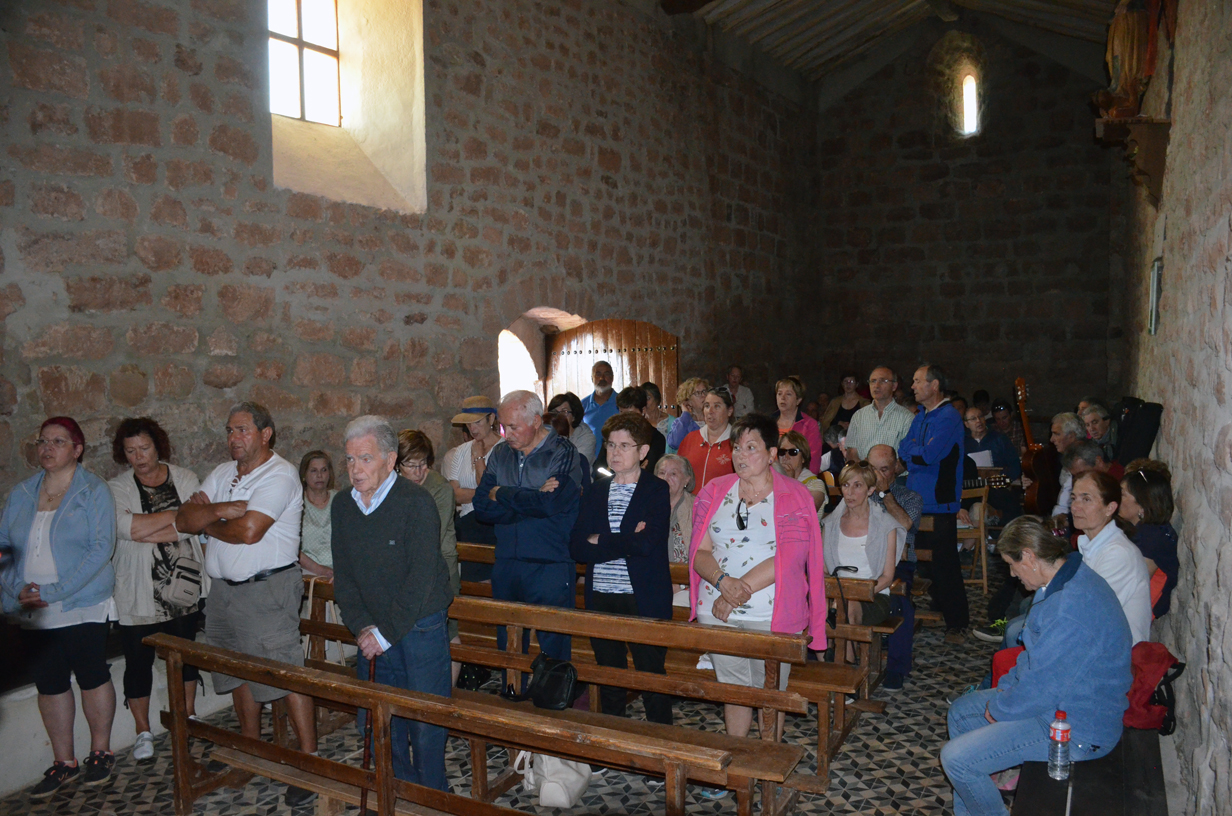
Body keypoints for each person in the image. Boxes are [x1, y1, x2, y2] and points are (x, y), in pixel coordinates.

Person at [175, 402, 317, 808]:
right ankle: (251, 750)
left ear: (265, 434)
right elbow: (182, 520)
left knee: (286, 671)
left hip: (266, 589)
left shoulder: (280, 474)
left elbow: (250, 531)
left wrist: (207, 518)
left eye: (242, 430)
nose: (233, 438)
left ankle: (310, 762)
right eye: (229, 430)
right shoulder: (223, 473)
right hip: (223, 591)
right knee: (235, 669)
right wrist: (219, 511)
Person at [941, 516, 1131, 816]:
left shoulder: (1070, 608)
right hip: (1056, 705)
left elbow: (1042, 688)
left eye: (1012, 565)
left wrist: (1002, 707)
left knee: (957, 760)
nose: (1012, 574)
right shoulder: (1059, 582)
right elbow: (1032, 658)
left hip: (1078, 728)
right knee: (961, 713)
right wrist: (1004, 691)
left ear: (1029, 556)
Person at [331, 416, 454, 789]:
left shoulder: (416, 502)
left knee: (425, 721)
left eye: (365, 458)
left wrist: (383, 634)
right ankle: (396, 793)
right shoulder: (343, 505)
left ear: (389, 459)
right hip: (373, 627)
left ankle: (431, 798)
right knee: (380, 721)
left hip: (419, 625)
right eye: (350, 459)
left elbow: (421, 577)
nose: (356, 469)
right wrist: (362, 626)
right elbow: (344, 575)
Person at [689, 413, 826, 739]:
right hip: (718, 614)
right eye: (737, 448)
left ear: (772, 454)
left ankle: (769, 762)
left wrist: (734, 594)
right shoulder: (714, 490)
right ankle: (738, 760)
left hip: (772, 615)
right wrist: (723, 583)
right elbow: (699, 552)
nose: (740, 455)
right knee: (734, 693)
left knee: (770, 694)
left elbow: (791, 556)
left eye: (751, 447)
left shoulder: (794, 495)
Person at [1, 417, 118, 798]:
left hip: (80, 601)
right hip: (33, 607)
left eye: (58, 441)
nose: (47, 448)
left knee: (91, 674)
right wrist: (17, 590)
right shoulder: (21, 493)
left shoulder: (92, 490)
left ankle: (100, 753)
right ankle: (63, 761)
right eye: (42, 441)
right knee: (49, 682)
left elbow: (100, 548)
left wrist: (56, 591)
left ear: (77, 449)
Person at [108, 417, 205, 765]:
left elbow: (195, 522)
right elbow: (125, 528)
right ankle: (143, 731)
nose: (139, 457)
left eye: (144, 448)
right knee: (138, 662)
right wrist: (177, 517)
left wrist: (148, 528)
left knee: (185, 657)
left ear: (157, 446)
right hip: (137, 590)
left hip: (184, 586)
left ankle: (187, 716)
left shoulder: (184, 477)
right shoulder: (116, 487)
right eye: (131, 451)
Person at [570, 412, 673, 724]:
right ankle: (614, 738)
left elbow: (648, 544)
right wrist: (627, 539)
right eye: (611, 445)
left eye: (624, 446)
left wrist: (600, 539)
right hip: (602, 594)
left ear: (643, 451)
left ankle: (661, 742)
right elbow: (577, 547)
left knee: (651, 677)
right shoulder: (597, 490)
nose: (615, 452)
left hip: (642, 596)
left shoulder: (656, 489)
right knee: (610, 677)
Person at [473, 391, 586, 663]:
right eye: (503, 427)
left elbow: (550, 505)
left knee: (553, 647)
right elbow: (481, 506)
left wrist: (502, 493)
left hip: (550, 563)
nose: (506, 434)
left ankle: (551, 691)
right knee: (508, 645)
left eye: (513, 427)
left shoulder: (563, 452)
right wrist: (532, 499)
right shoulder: (501, 452)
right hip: (507, 563)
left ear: (536, 422)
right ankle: (513, 687)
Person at [898, 364, 967, 643]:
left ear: (934, 385)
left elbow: (930, 456)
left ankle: (957, 623)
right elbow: (903, 448)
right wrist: (916, 453)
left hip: (940, 502)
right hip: (917, 502)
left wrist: (915, 453)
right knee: (921, 563)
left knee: (945, 566)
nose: (912, 386)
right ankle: (933, 608)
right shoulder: (921, 416)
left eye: (918, 381)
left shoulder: (949, 417)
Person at [821, 461, 905, 662]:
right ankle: (828, 666)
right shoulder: (830, 524)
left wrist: (856, 593)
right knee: (822, 606)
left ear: (870, 490)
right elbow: (823, 570)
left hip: (873, 596)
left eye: (857, 486)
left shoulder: (885, 525)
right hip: (836, 594)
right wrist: (836, 594)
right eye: (846, 485)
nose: (850, 492)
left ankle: (846, 667)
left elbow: (887, 577)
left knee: (848, 607)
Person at [397, 429, 462, 683]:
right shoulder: (393, 486)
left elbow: (428, 538)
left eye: (423, 463)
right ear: (397, 464)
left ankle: (446, 694)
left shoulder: (439, 489)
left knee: (447, 633)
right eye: (411, 465)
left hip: (440, 571)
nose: (419, 471)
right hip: (405, 572)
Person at [1071, 471, 1153, 644]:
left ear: (1110, 508)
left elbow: (1091, 613)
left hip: (1114, 648)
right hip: (1093, 637)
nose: (1075, 507)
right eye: (1073, 498)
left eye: (1086, 499)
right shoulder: (1091, 544)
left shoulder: (1119, 554)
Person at [867, 444, 922, 691]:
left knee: (900, 604)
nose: (878, 476)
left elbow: (905, 525)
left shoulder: (910, 497)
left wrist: (884, 493)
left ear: (896, 469)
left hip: (899, 564)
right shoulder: (859, 493)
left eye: (884, 469)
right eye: (873, 469)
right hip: (864, 562)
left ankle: (897, 668)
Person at [445, 396, 504, 552]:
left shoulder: (504, 449)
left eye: (477, 422)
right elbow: (454, 494)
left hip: (493, 523)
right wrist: (485, 494)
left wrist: (478, 458)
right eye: (468, 424)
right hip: (466, 523)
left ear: (491, 419)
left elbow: (487, 487)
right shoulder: (461, 451)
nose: (473, 429)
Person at [1119, 463, 1178, 618]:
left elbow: (1135, 586)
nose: (1116, 499)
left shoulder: (1151, 538)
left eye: (1123, 494)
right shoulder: (1147, 529)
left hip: (1135, 613)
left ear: (1142, 504)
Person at [963, 407, 1023, 524]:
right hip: (970, 489)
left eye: (980, 417)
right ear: (966, 424)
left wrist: (1005, 477)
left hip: (995, 487)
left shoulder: (999, 439)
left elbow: (1015, 464)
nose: (978, 421)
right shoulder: (961, 442)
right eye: (973, 419)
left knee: (1011, 505)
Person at [591, 386, 667, 477]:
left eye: (630, 414)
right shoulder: (613, 435)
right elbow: (599, 469)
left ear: (643, 410)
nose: (625, 418)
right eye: (622, 412)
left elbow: (650, 471)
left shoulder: (656, 438)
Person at [844, 367, 916, 461]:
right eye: (873, 381)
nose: (876, 386)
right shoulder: (858, 416)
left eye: (883, 381)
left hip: (894, 470)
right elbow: (852, 452)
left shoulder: (907, 418)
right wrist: (864, 468)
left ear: (894, 386)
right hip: (864, 469)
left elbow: (908, 454)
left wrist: (887, 469)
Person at [677, 388, 736, 494]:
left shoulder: (737, 443)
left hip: (722, 502)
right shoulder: (691, 438)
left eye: (717, 406)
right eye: (707, 406)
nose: (710, 411)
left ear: (729, 411)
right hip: (690, 502)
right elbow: (678, 473)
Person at [654, 454, 695, 604]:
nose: (666, 478)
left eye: (673, 474)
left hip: (686, 585)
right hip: (651, 581)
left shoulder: (697, 508)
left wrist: (679, 584)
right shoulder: (644, 506)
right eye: (661, 473)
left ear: (687, 479)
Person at [772, 376, 824, 473]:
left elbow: (813, 462)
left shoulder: (809, 425)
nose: (783, 398)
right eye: (779, 394)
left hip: (799, 478)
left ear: (798, 400)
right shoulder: (766, 423)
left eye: (788, 394)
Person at [298, 450, 336, 580]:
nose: (319, 475)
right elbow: (289, 546)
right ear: (304, 475)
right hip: (307, 572)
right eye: (313, 471)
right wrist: (320, 570)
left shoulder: (341, 501)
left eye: (324, 470)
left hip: (340, 570)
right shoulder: (296, 504)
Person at [774, 430, 827, 510]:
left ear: (803, 458)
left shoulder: (815, 484)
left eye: (793, 452)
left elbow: (806, 510)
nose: (786, 457)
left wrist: (790, 481)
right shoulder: (771, 480)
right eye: (782, 452)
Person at [580, 360, 619, 458]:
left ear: (612, 378)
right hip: (589, 461)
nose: (602, 378)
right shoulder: (582, 405)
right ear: (592, 378)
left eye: (606, 374)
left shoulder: (622, 403)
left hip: (617, 459)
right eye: (598, 374)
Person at [547, 392, 595, 468]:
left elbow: (574, 466)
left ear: (574, 417)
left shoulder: (586, 438)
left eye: (564, 412)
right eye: (554, 412)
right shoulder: (545, 435)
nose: (559, 416)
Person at [666, 377, 709, 452]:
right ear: (687, 401)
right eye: (697, 393)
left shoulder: (713, 418)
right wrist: (685, 414)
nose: (703, 395)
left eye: (704, 391)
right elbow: (674, 443)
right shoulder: (682, 422)